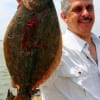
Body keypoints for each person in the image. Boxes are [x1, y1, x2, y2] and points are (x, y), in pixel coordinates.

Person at [39, 0, 100, 100]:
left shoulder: (98, 43)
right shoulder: (54, 51)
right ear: (64, 17)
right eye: (78, 9)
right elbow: (22, 78)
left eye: (89, 8)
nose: (86, 13)